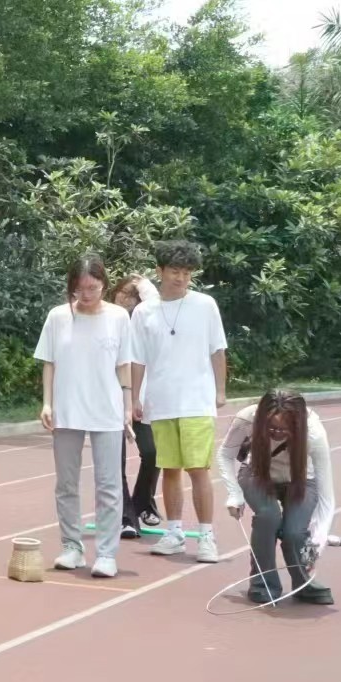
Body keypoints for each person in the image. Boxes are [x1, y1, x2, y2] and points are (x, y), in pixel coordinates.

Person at [33, 253, 138, 578]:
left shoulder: (118, 317)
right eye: (80, 289)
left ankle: (106, 553)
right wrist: (47, 403)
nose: (87, 294)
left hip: (107, 409)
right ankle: (72, 547)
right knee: (66, 483)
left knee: (109, 484)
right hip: (67, 409)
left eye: (93, 287)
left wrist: (127, 407)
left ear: (104, 284)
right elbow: (49, 362)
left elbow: (124, 365)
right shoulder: (58, 317)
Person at [129, 239, 228, 563]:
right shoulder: (143, 311)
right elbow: (137, 358)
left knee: (198, 469)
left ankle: (207, 536)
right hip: (161, 402)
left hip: (197, 401)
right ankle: (174, 533)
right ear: (159, 271)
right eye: (175, 271)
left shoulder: (205, 305)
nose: (181, 278)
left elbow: (218, 349)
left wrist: (220, 390)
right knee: (169, 469)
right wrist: (135, 397)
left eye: (187, 272)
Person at [218, 388, 335, 605]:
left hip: (301, 480)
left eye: (284, 429)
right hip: (257, 474)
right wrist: (234, 494)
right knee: (268, 517)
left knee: (294, 533)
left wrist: (316, 545)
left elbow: (327, 501)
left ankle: (303, 583)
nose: (277, 433)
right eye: (271, 427)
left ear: (297, 425)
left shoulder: (314, 433)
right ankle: (263, 583)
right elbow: (225, 454)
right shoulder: (247, 418)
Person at [111, 272, 163, 537]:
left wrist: (144, 285)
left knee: (154, 453)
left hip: (141, 399)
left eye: (133, 295)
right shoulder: (108, 320)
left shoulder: (147, 321)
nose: (127, 299)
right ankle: (125, 517)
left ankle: (143, 502)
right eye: (123, 293)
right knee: (114, 461)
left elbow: (155, 304)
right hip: (112, 400)